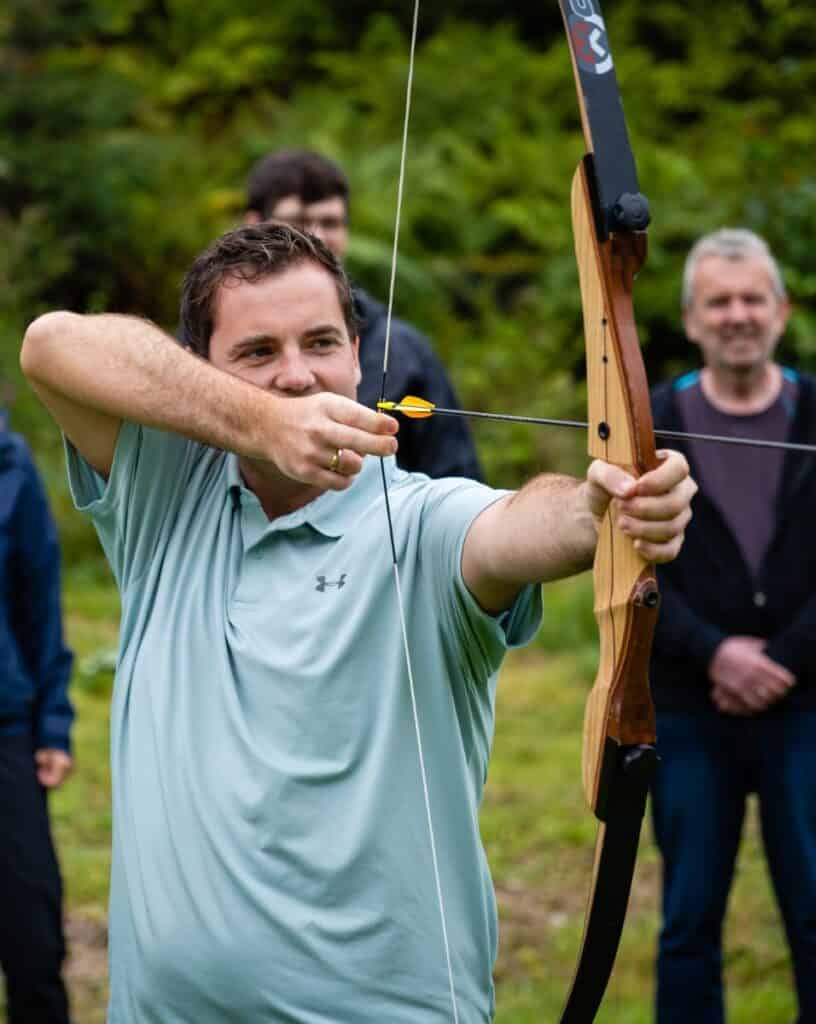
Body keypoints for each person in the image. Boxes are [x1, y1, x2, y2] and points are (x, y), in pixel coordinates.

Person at [21, 222, 697, 1023]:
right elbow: (51, 345)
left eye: (320, 342)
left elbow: (524, 525)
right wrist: (261, 423)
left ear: (358, 354)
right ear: (205, 371)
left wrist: (602, 512)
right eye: (257, 352)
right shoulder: (164, 502)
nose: (298, 376)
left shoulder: (422, 522)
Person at [647, 228, 816, 1023]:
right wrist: (713, 652)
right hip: (685, 707)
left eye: (753, 299)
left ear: (781, 312)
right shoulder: (652, 424)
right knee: (686, 922)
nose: (737, 315)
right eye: (719, 300)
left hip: (805, 703)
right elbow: (631, 568)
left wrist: (777, 657)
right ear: (691, 318)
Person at [244, 147, 484, 481]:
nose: (316, 236)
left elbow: (459, 483)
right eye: (296, 221)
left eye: (330, 222)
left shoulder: (403, 352)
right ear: (253, 225)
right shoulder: (208, 341)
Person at [0, 417, 74, 1023]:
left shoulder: (9, 462)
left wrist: (52, 721)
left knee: (33, 941)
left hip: (7, 730)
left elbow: (39, 598)